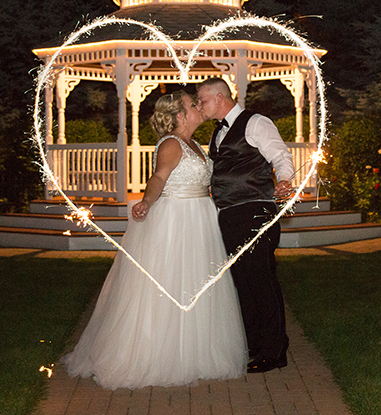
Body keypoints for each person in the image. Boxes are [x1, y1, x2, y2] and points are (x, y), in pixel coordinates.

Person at [62, 91, 247, 389]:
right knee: (172, 282)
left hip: (200, 218)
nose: (198, 106)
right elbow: (159, 177)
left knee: (196, 282)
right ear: (179, 116)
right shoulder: (172, 144)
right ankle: (159, 354)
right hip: (177, 221)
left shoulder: (194, 144)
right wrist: (147, 201)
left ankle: (196, 351)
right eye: (192, 104)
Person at [196, 78, 294, 374]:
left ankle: (275, 351)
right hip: (228, 215)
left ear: (218, 97)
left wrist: (285, 179)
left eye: (202, 100)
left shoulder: (255, 123)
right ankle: (255, 345)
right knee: (242, 283)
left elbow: (281, 155)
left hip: (254, 211)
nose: (199, 106)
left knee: (261, 280)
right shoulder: (217, 134)